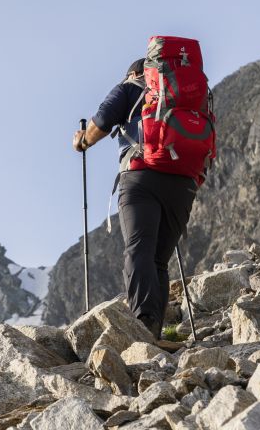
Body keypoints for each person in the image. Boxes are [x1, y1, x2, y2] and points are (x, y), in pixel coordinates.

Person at [72, 58, 198, 339]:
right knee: (159, 260)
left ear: (133, 73)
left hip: (142, 176)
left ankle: (144, 327)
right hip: (183, 183)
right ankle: (157, 332)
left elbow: (101, 122)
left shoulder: (130, 88)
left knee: (139, 251)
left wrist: (82, 140)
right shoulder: (182, 96)